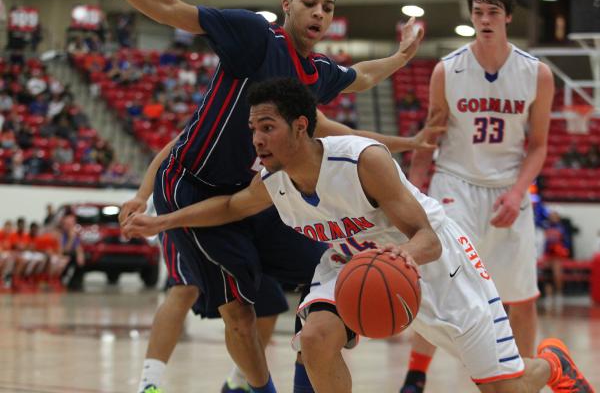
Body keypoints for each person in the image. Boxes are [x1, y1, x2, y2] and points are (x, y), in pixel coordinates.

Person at [123, 77, 594, 393]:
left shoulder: (361, 160)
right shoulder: (274, 181)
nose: (257, 140)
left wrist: (403, 258)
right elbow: (230, 206)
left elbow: (425, 236)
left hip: (438, 264)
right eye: (253, 130)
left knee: (504, 388)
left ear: (301, 126)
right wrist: (161, 220)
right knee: (316, 337)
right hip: (355, 265)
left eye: (267, 127)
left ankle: (552, 364)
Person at [116, 0, 441, 392]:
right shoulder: (255, 37)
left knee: (325, 272)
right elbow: (169, 9)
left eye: (328, 6)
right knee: (238, 312)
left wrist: (404, 56)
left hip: (252, 197)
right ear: (287, 4)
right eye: (309, 2)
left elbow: (365, 79)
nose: (319, 12)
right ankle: (247, 388)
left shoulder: (314, 77)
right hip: (191, 189)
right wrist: (145, 192)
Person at [404, 0, 555, 391]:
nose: (484, 20)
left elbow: (538, 145)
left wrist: (519, 190)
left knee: (521, 296)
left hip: (508, 186)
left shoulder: (536, 73)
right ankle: (416, 375)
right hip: (455, 183)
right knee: (443, 285)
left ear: (507, 16)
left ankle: (521, 376)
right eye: (478, 12)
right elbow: (431, 135)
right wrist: (413, 187)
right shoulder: (447, 70)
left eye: (492, 12)